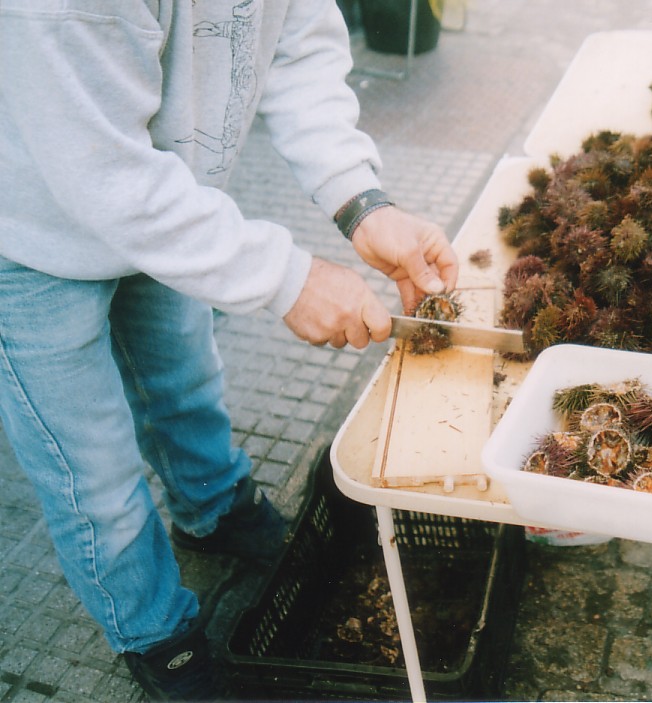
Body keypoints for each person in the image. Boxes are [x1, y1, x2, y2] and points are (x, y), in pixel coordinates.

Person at [0, 0, 459, 699]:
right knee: (92, 478)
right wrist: (286, 278)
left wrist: (363, 203)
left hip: (171, 197)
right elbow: (103, 171)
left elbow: (296, 46)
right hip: (31, 235)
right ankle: (159, 640)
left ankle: (213, 509)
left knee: (183, 378)